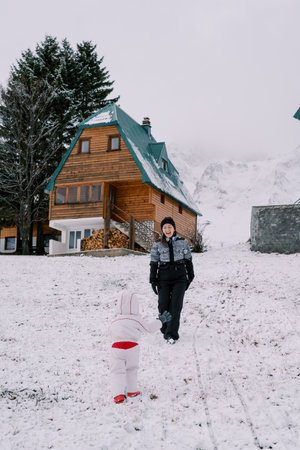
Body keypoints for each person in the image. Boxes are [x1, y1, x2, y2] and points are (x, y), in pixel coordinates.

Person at [110, 291, 171, 404]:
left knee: (117, 371)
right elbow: (149, 328)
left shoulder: (115, 320)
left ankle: (118, 395)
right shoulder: (136, 319)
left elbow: (111, 332)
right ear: (135, 305)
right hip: (132, 348)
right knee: (131, 369)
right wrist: (160, 321)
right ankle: (131, 390)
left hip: (116, 348)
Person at [149, 216, 194, 344]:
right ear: (162, 229)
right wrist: (153, 279)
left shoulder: (183, 241)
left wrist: (190, 276)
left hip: (179, 278)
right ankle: (165, 327)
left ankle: (172, 334)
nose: (167, 229)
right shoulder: (157, 244)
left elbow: (188, 260)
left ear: (174, 228)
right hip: (163, 277)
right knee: (163, 304)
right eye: (164, 227)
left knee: (175, 306)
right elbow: (153, 262)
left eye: (169, 227)